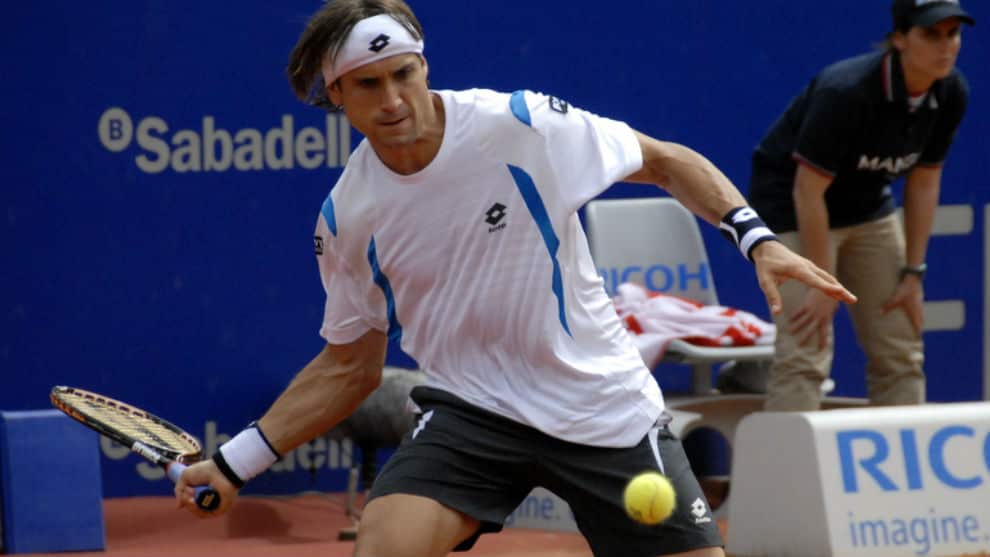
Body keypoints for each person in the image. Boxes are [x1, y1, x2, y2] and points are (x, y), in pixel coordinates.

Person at [175, 1, 855, 556]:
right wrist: (235, 463)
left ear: (424, 66)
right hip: (473, 412)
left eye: (403, 74)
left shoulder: (521, 126)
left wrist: (757, 239)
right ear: (337, 95)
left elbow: (664, 160)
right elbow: (350, 366)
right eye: (368, 84)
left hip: (597, 402)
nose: (394, 99)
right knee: (385, 546)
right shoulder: (347, 217)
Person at [747, 0, 973, 412]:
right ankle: (786, 455)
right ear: (899, 39)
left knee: (901, 350)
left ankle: (903, 453)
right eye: (931, 34)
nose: (946, 46)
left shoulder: (951, 91)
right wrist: (822, 281)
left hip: (868, 209)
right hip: (791, 208)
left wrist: (913, 273)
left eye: (953, 34)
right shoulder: (845, 92)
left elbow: (924, 183)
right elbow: (807, 192)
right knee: (806, 350)